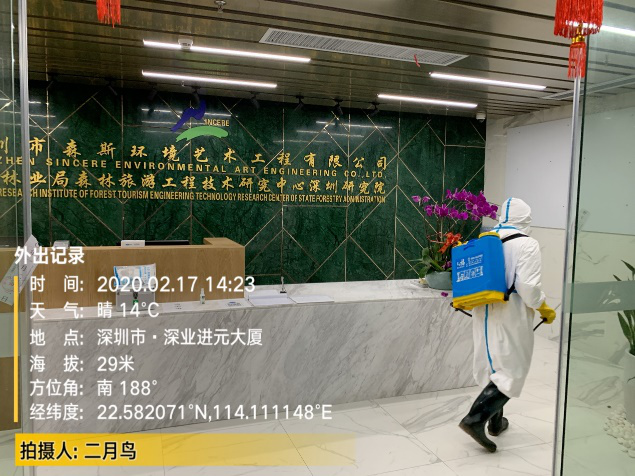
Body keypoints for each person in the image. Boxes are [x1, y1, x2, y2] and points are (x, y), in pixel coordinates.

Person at [459, 197, 557, 452]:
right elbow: (528, 287)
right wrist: (543, 306)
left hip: (483, 309)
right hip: (510, 312)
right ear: (526, 219)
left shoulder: (486, 239)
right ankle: (474, 420)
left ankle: (496, 423)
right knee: (511, 369)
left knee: (491, 364)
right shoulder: (527, 243)